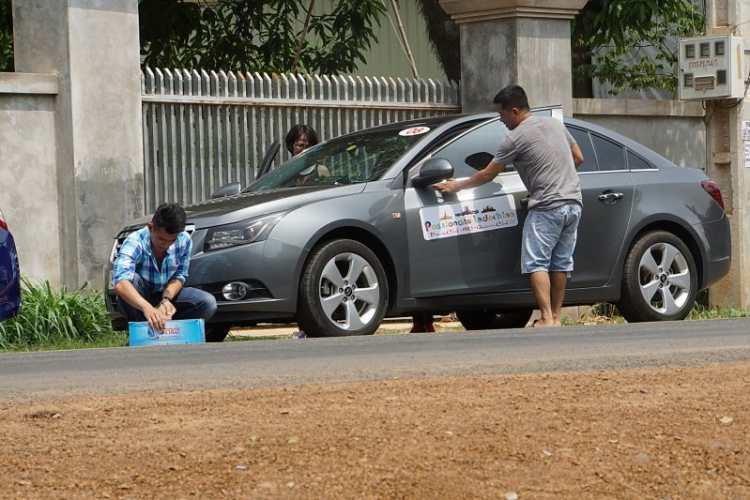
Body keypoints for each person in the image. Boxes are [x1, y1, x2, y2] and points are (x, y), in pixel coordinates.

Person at [434, 85, 584, 328]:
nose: (501, 120)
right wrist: (559, 178)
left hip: (547, 206)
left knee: (536, 262)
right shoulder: (556, 125)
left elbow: (488, 175)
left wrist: (457, 186)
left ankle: (545, 318)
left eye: (502, 114)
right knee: (561, 263)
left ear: (515, 111)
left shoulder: (515, 138)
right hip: (574, 203)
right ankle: (556, 317)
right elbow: (578, 157)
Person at [113, 203, 217, 333]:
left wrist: (165, 300)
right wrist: (147, 307)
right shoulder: (134, 241)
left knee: (207, 303)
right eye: (161, 239)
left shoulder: (184, 240)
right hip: (141, 298)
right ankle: (143, 335)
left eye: (171, 240)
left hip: (166, 295)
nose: (166, 244)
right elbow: (120, 283)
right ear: (151, 227)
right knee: (131, 280)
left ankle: (172, 333)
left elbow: (180, 276)